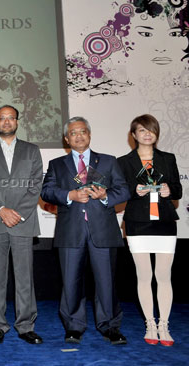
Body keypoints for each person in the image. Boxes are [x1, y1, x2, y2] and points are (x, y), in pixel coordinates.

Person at [41, 116, 130, 345]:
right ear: (66, 138)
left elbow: (123, 190)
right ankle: (73, 327)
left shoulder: (109, 161)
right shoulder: (57, 164)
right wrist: (69, 195)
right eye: (73, 133)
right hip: (71, 231)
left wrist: (105, 196)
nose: (78, 136)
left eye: (82, 132)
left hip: (103, 231)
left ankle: (110, 327)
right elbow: (47, 192)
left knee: (106, 282)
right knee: (70, 281)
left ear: (89, 135)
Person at [0, 105, 43, 345]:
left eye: (10, 118)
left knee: (24, 277)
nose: (6, 122)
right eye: (1, 118)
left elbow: (35, 186)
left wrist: (18, 214)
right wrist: (1, 210)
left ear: (17, 121)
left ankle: (25, 326)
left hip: (23, 223)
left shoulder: (32, 150)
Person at [117, 114, 182, 346]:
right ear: (133, 135)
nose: (147, 134)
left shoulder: (167, 158)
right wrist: (135, 190)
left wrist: (168, 190)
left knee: (164, 276)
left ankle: (164, 325)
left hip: (164, 221)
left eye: (151, 130)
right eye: (142, 130)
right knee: (144, 276)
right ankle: (150, 325)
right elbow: (120, 191)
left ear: (156, 133)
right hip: (137, 222)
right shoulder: (124, 161)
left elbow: (178, 189)